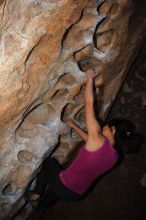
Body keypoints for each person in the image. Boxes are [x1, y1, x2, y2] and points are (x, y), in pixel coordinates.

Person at [26, 69, 143, 210]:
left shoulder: (98, 138)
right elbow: (91, 144)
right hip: (77, 194)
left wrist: (90, 78)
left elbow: (88, 103)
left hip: (64, 185)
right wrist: (74, 126)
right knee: (56, 193)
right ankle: (40, 206)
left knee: (49, 164)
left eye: (109, 126)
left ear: (112, 131)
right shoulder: (115, 157)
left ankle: (36, 195)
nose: (105, 125)